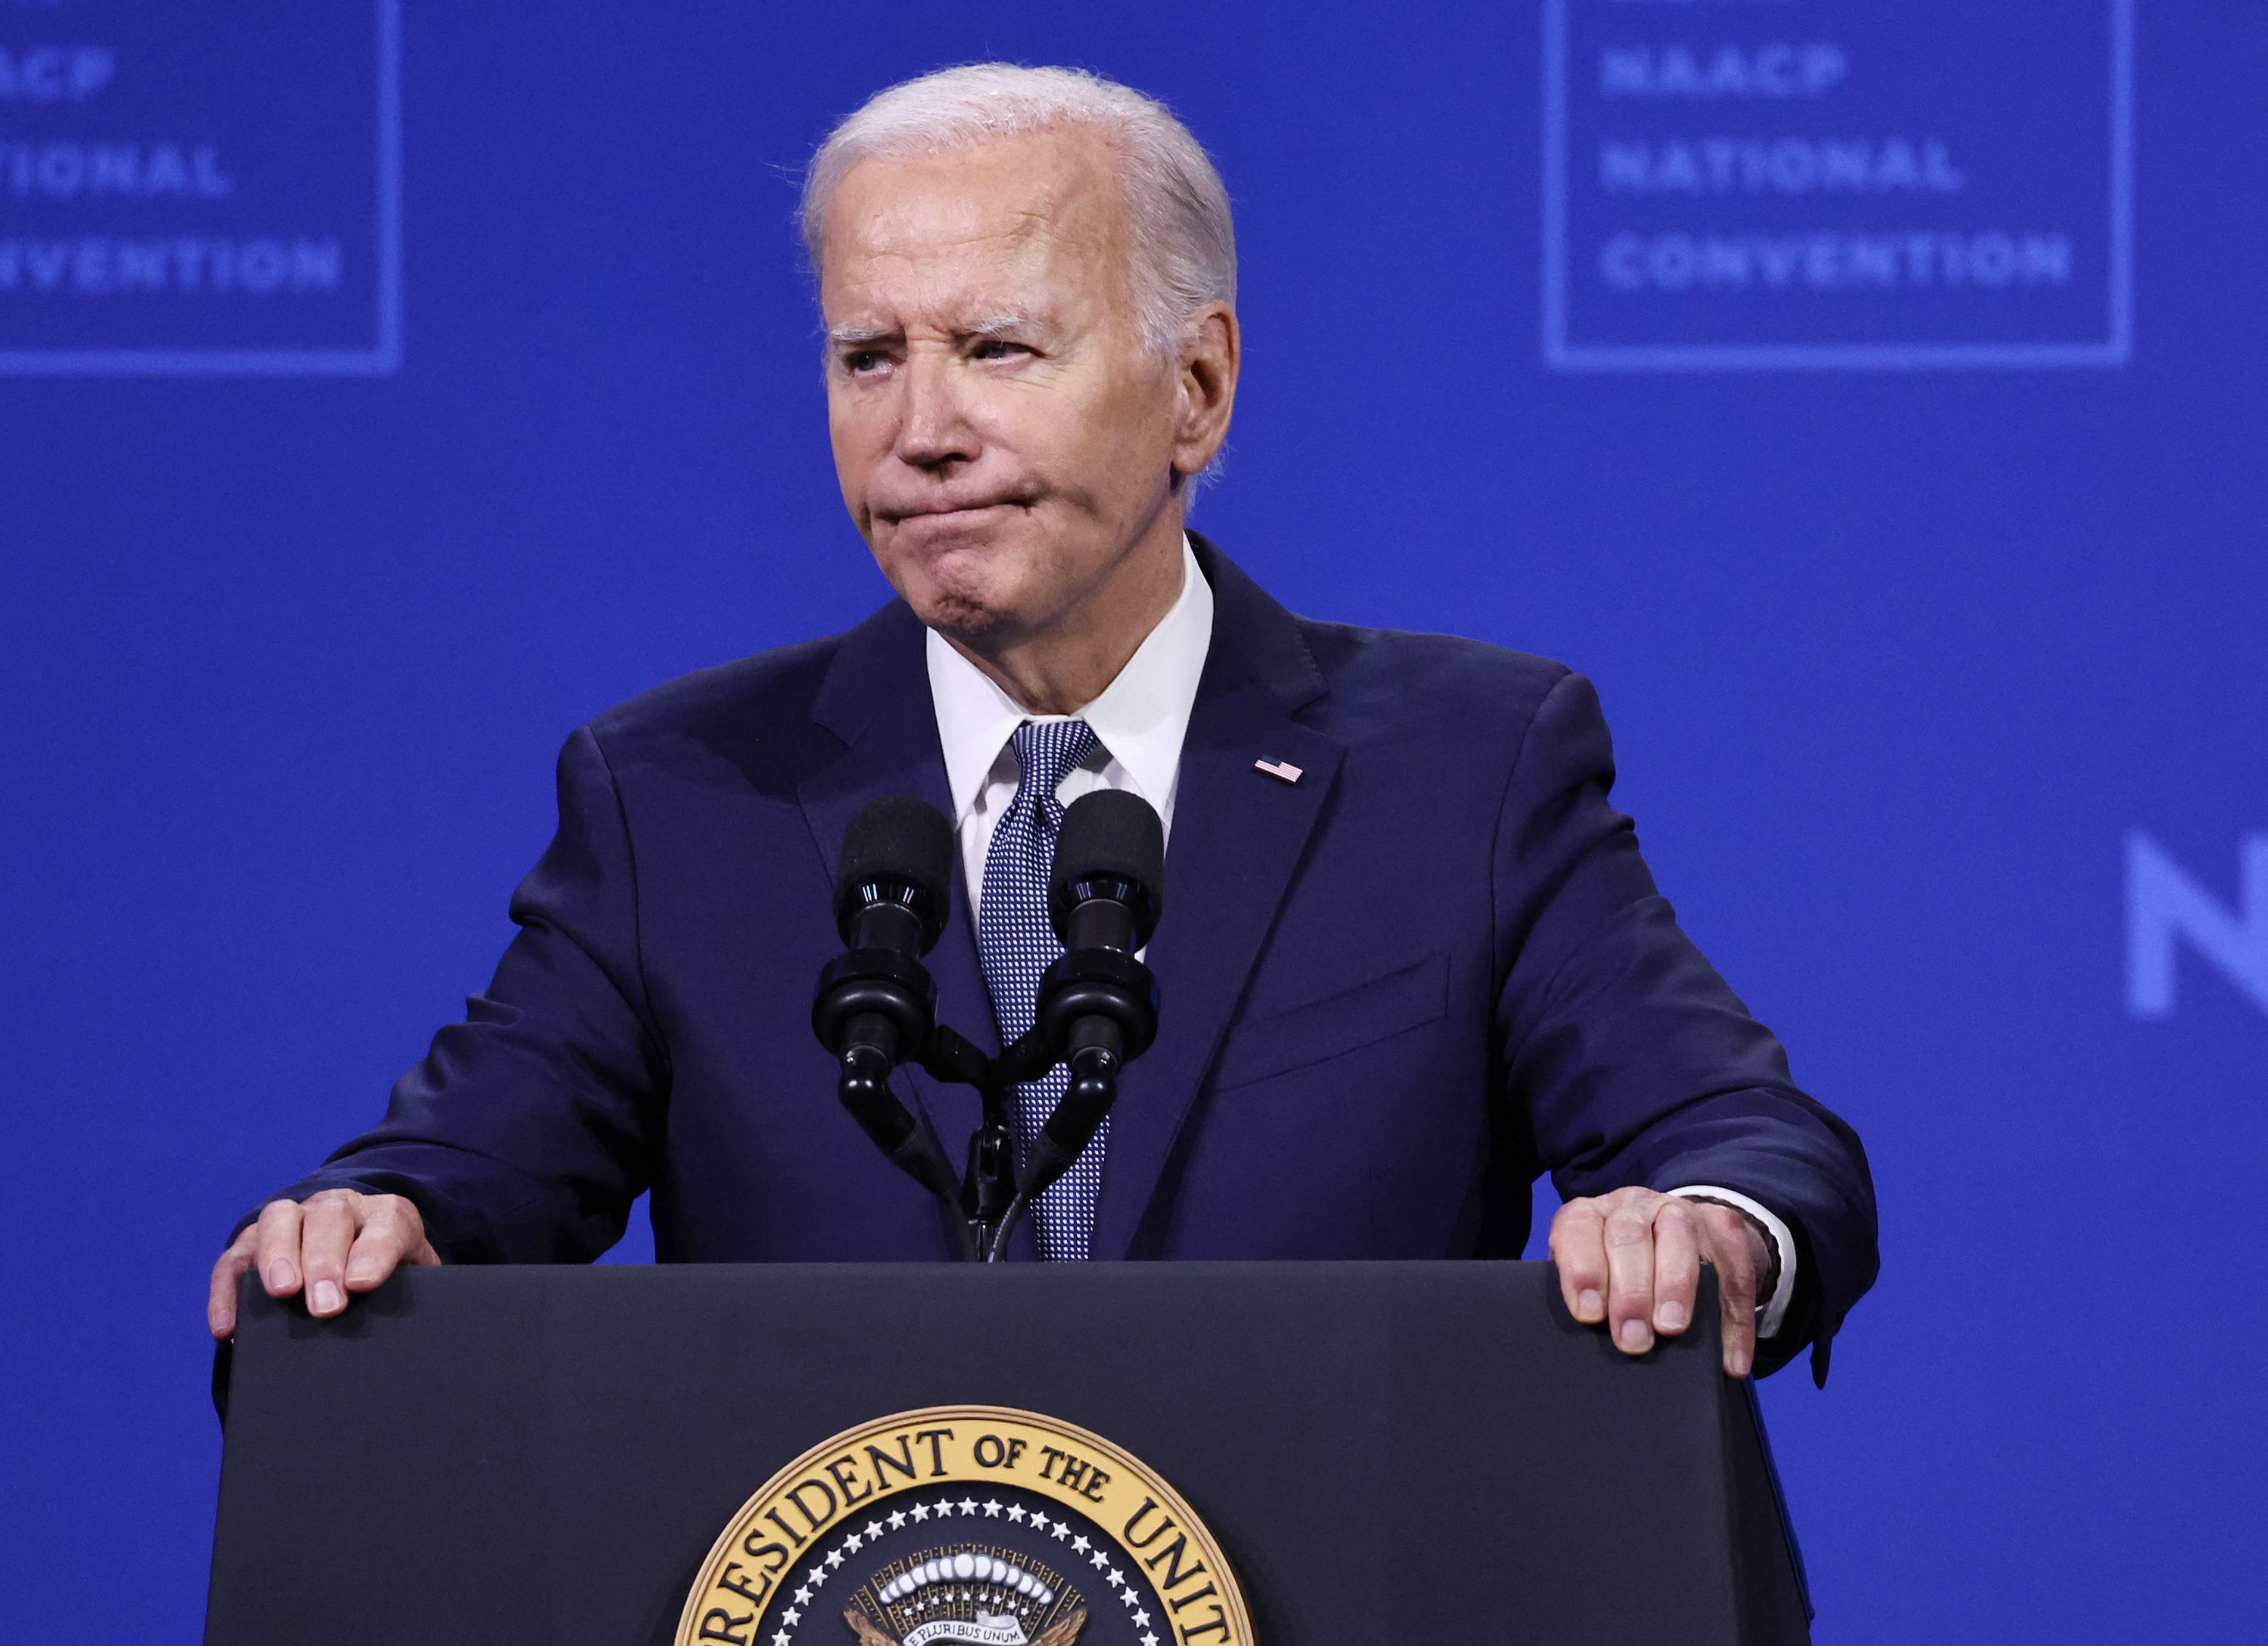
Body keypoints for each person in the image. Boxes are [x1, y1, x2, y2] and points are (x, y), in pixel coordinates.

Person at [208, 64, 1875, 1383]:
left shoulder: (1467, 764)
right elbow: (459, 1173)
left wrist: (1706, 1228)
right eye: (869, 357)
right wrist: (375, 1225)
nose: (921, 428)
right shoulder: (680, 794)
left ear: (1196, 389)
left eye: (997, 347)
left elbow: (1742, 1140)